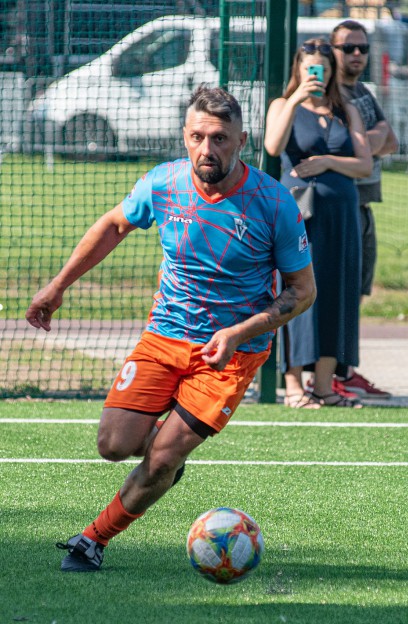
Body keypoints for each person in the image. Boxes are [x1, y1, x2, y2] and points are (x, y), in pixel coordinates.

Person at [25, 86, 316, 572]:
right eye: (198, 137)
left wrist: (238, 334)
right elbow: (114, 225)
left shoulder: (273, 203)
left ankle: (93, 539)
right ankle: (167, 454)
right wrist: (57, 287)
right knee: (113, 446)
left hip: (232, 354)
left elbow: (302, 291)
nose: (207, 149)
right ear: (185, 136)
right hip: (165, 335)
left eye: (220, 138)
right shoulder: (163, 183)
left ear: (241, 141)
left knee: (160, 459)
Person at [264, 38, 373, 408]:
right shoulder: (283, 105)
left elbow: (365, 165)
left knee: (337, 292)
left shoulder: (346, 110)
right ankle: (293, 385)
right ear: (298, 69)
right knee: (297, 288)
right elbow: (273, 147)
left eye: (324, 69)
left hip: (341, 217)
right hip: (298, 215)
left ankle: (324, 386)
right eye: (311, 67)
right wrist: (296, 98)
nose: (318, 74)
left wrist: (328, 162)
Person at [326, 19, 398, 400]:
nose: (357, 54)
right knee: (337, 292)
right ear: (332, 51)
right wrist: (370, 142)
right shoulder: (330, 93)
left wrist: (365, 144)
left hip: (366, 204)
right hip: (342, 205)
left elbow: (392, 141)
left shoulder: (363, 92)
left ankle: (345, 369)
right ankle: (330, 373)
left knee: (356, 292)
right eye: (348, 48)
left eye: (363, 48)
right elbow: (343, 148)